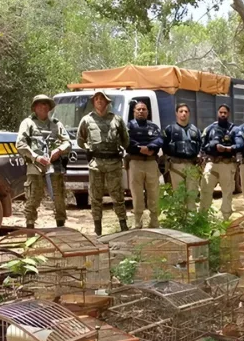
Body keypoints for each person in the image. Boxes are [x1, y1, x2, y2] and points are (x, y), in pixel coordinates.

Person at [77, 90, 129, 236]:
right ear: (93, 102)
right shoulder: (87, 120)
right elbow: (80, 140)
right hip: (96, 165)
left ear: (107, 102)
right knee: (95, 197)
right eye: (96, 99)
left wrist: (119, 149)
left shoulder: (117, 120)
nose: (99, 101)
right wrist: (88, 148)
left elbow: (126, 140)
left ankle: (123, 225)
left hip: (114, 163)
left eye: (102, 99)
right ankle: (98, 228)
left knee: (118, 196)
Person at [17, 94, 72, 229]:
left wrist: (58, 150)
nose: (44, 106)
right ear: (35, 107)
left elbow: (68, 142)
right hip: (35, 167)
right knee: (33, 198)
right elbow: (20, 144)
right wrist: (35, 157)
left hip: (54, 167)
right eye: (40, 104)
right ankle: (30, 229)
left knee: (59, 198)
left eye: (46, 104)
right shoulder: (28, 123)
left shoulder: (56, 124)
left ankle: (61, 227)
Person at [200, 105, 241, 220]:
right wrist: (214, 147)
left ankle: (226, 220)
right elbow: (203, 147)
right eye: (221, 112)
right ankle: (202, 219)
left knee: (227, 193)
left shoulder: (234, 129)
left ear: (228, 114)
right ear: (217, 113)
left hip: (227, 165)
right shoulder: (209, 129)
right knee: (205, 191)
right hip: (211, 163)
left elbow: (240, 145)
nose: (223, 115)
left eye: (225, 113)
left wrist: (228, 148)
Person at [126, 101, 163, 228]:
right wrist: (139, 148)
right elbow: (126, 140)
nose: (141, 111)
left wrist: (150, 147)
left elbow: (159, 139)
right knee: (137, 193)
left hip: (151, 162)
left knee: (153, 191)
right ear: (134, 112)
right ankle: (137, 221)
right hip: (135, 162)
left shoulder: (153, 126)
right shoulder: (129, 126)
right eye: (138, 109)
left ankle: (154, 220)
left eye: (143, 109)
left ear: (147, 112)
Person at [163, 103, 202, 211]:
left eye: (186, 111)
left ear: (189, 114)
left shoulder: (195, 130)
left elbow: (201, 145)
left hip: (192, 165)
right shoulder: (169, 130)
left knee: (192, 195)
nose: (183, 113)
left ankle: (191, 221)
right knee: (178, 195)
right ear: (176, 113)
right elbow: (164, 147)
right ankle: (179, 223)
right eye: (181, 111)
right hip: (176, 166)